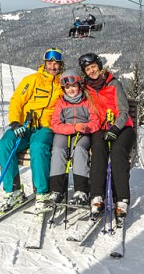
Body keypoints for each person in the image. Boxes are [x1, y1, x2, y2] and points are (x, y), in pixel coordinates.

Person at [0, 47, 64, 213]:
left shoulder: (63, 83)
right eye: (50, 63)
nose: (53, 66)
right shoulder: (32, 80)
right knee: (5, 144)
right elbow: (17, 100)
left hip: (45, 127)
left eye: (56, 63)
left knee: (38, 147)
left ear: (61, 65)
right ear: (45, 63)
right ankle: (13, 191)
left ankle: (42, 192)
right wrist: (15, 123)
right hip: (25, 125)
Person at [79, 52, 136, 219]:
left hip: (122, 128)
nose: (91, 71)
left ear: (99, 66)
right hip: (100, 128)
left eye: (93, 67)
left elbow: (124, 111)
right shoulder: (86, 89)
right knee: (97, 150)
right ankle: (97, 196)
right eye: (87, 69)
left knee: (118, 152)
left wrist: (116, 128)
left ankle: (122, 199)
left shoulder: (113, 84)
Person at [47, 69, 102, 205]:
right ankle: (56, 189)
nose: (71, 89)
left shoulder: (87, 100)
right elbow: (55, 124)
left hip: (82, 132)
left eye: (73, 86)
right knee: (58, 149)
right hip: (65, 131)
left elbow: (95, 121)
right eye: (67, 87)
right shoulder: (61, 103)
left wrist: (85, 127)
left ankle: (81, 190)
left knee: (79, 149)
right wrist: (72, 128)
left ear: (79, 85)